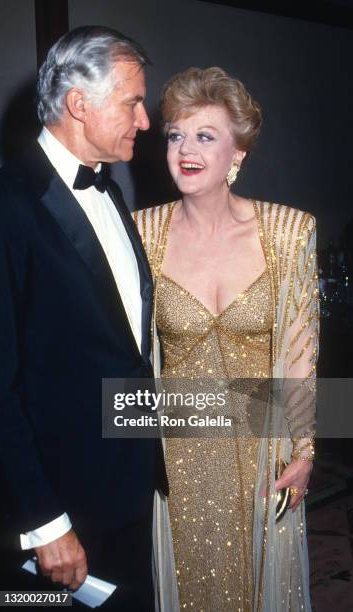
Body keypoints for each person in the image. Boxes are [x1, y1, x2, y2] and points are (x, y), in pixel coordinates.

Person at [0, 26, 168, 611]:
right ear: (78, 104)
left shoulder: (112, 191)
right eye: (132, 102)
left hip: (125, 489)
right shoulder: (7, 207)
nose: (144, 121)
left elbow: (121, 351)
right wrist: (45, 522)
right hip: (59, 514)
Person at [135, 67, 318, 611]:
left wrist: (305, 449)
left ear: (238, 153)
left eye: (205, 136)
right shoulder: (141, 232)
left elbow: (301, 348)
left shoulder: (289, 230)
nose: (185, 150)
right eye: (175, 136)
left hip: (265, 451)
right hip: (177, 455)